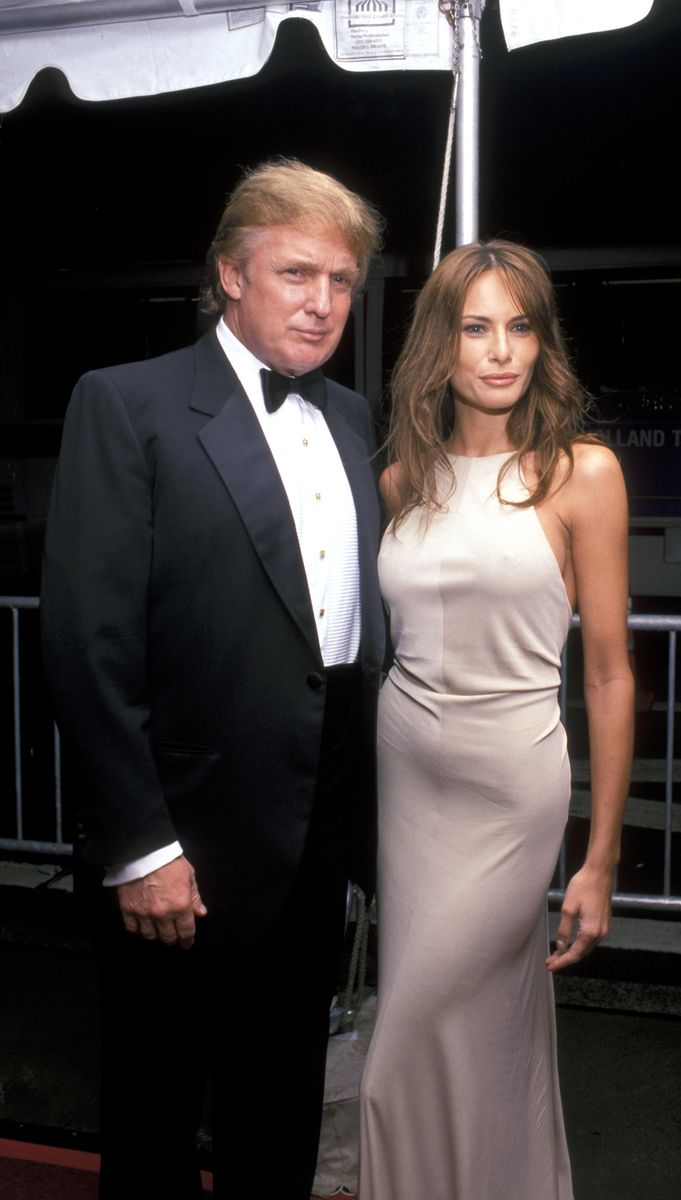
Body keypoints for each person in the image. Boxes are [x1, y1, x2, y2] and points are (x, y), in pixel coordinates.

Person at [41, 158, 386, 1200]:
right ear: (230, 275)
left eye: (340, 282)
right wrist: (141, 843)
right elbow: (86, 640)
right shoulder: (126, 404)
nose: (321, 303)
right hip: (182, 836)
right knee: (152, 1118)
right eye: (295, 274)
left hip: (316, 828)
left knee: (278, 1109)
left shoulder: (354, 420)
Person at [359, 240, 634, 1200]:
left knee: (401, 1040)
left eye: (520, 327)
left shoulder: (580, 474)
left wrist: (597, 861)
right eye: (475, 327)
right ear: (440, 344)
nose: (500, 350)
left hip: (512, 779)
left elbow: (606, 675)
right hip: (409, 776)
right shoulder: (401, 482)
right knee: (477, 1034)